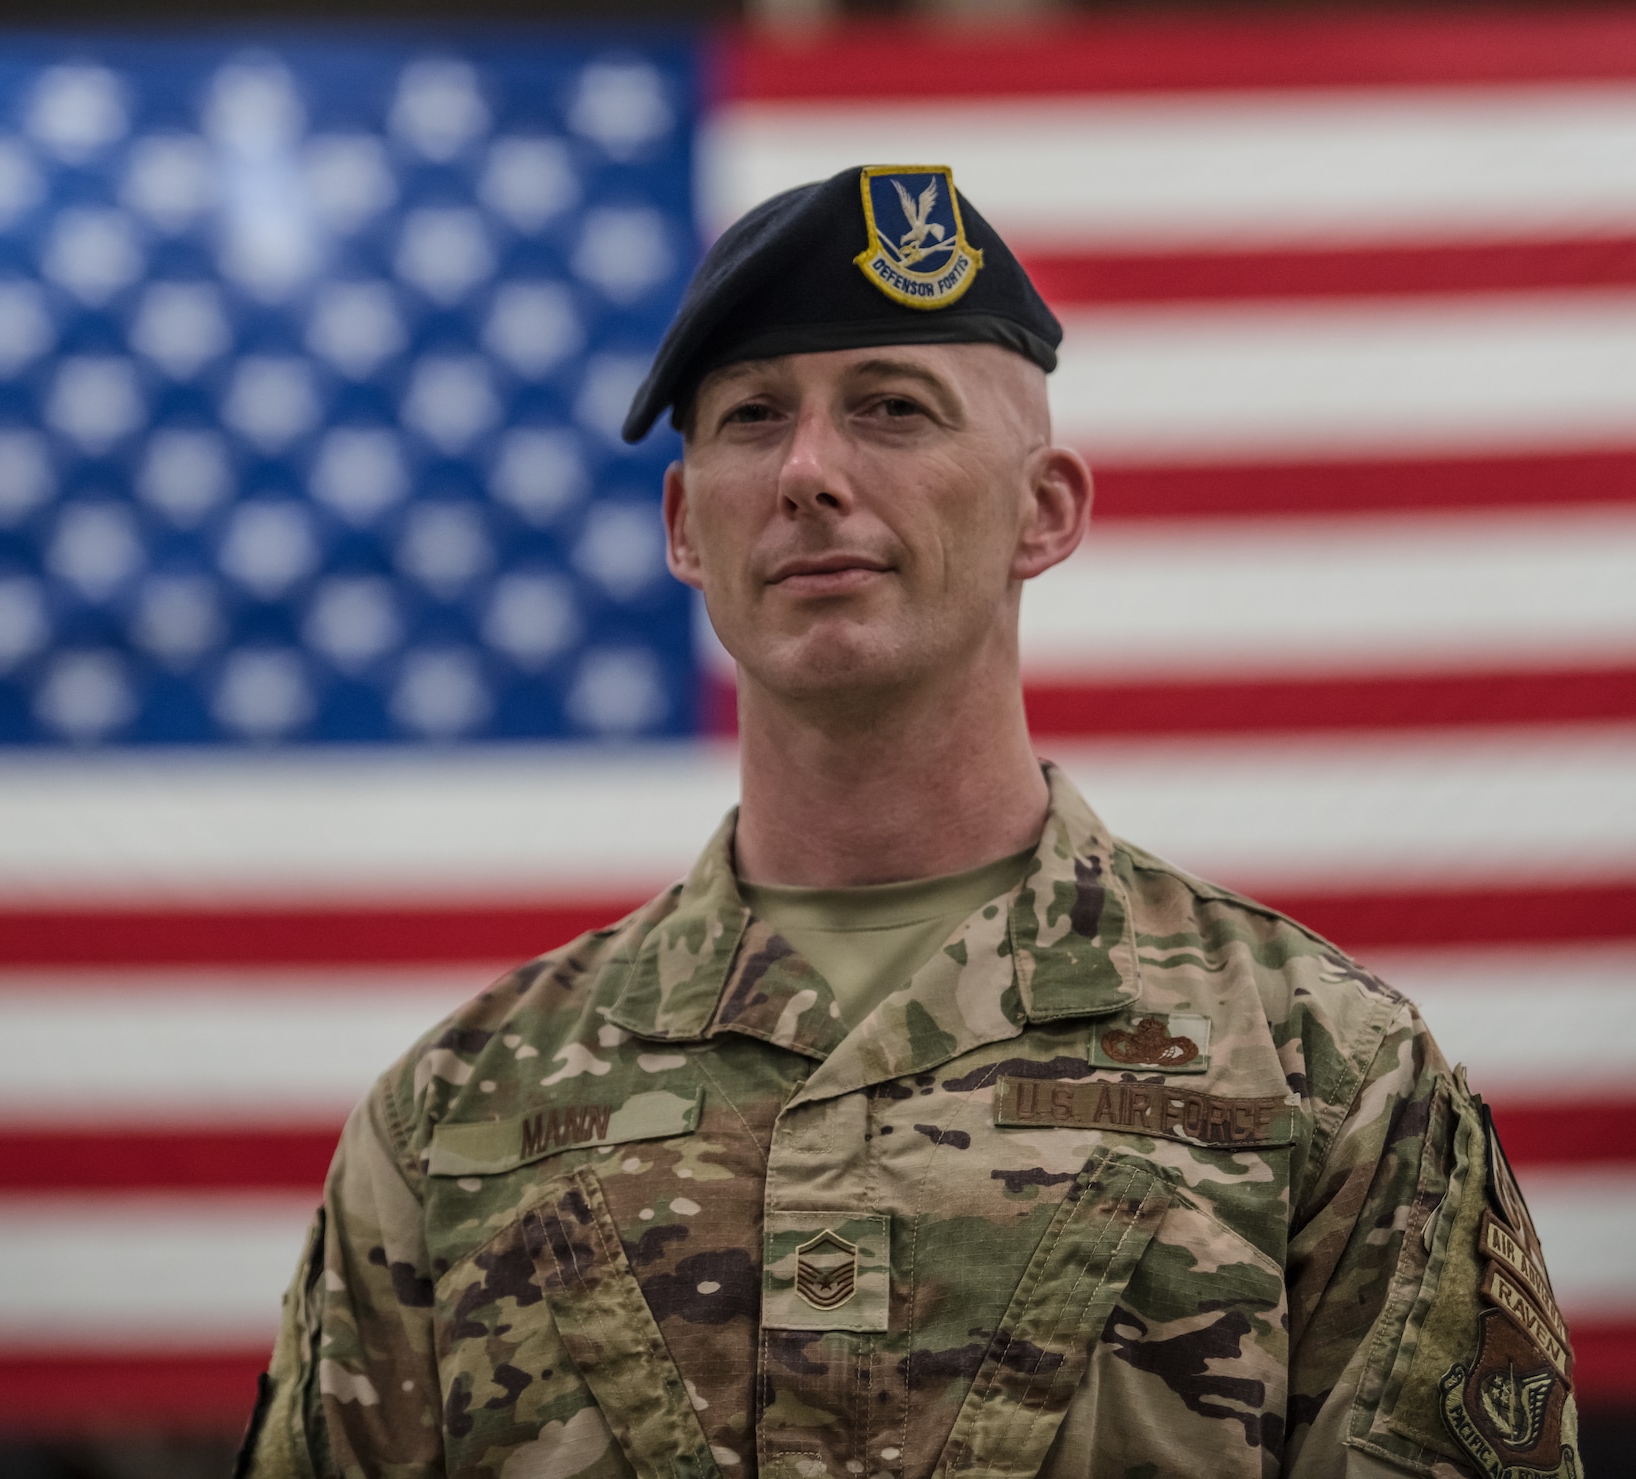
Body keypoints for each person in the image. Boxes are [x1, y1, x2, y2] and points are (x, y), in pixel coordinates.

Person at [237, 165, 1580, 1479]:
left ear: (1043, 513)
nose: (810, 471)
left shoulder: (1326, 1078)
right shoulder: (463, 1111)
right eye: (755, 418)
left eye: (892, 408)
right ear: (683, 524)